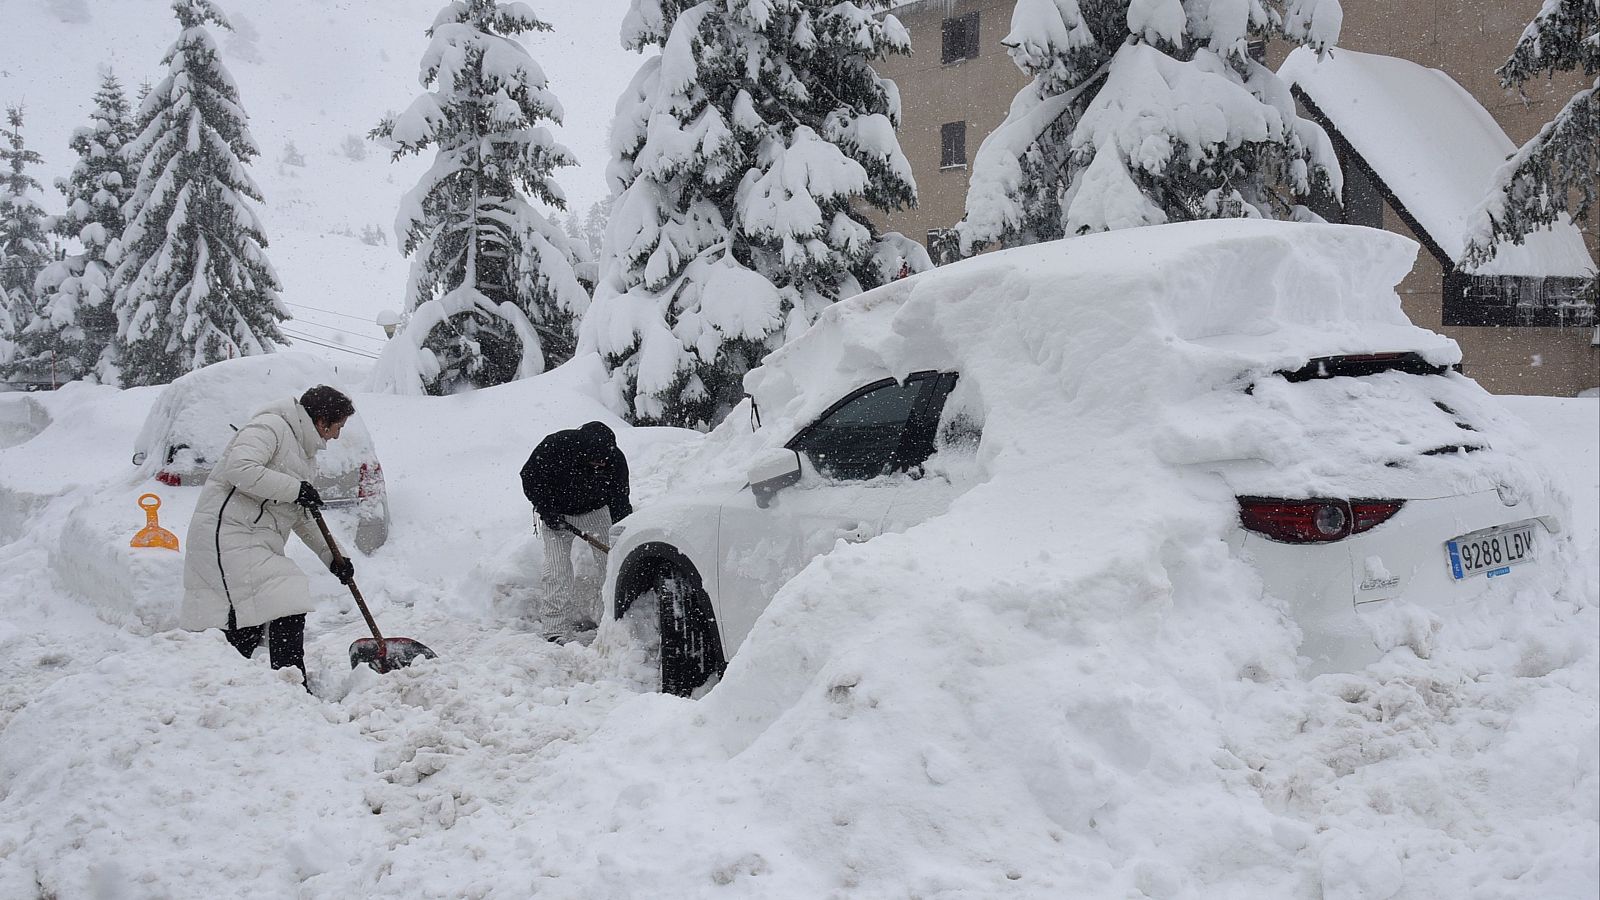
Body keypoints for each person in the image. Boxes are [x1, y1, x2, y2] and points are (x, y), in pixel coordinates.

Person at [180, 385, 358, 689]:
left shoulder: (304, 455)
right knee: (282, 596)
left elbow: (302, 515)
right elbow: (240, 469)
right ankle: (289, 684)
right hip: (225, 533)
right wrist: (294, 488)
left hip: (253, 539)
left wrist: (335, 557)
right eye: (338, 426)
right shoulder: (271, 426)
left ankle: (240, 688)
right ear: (321, 419)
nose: (337, 436)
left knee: (249, 619)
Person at [520, 421, 631, 636]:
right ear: (582, 450)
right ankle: (555, 630)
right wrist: (546, 509)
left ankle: (613, 623)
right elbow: (530, 477)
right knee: (556, 570)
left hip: (596, 512)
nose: (599, 465)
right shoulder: (555, 447)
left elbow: (620, 500)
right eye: (594, 461)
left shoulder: (615, 459)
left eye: (603, 462)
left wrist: (621, 532)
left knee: (612, 565)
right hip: (558, 515)